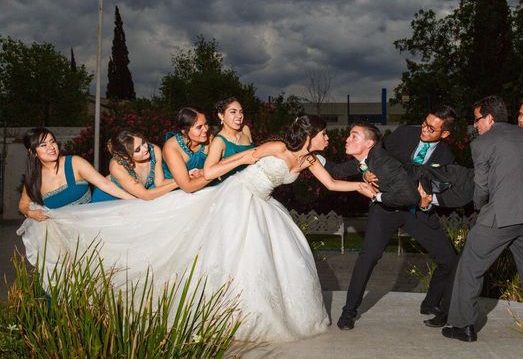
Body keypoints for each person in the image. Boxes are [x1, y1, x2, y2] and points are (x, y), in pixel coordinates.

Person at [18, 115, 376, 343]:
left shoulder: (310, 158)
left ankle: (263, 313)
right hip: (239, 195)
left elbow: (330, 184)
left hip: (265, 204)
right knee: (234, 253)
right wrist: (208, 173)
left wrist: (360, 186)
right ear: (310, 134)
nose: (328, 139)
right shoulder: (278, 147)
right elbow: (242, 159)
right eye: (325, 135)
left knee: (279, 258)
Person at [442, 96, 523, 343]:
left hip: (498, 217)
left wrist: (478, 207)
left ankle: (462, 325)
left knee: (469, 267)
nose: (474, 125)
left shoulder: (481, 143)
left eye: (477, 120)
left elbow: (482, 186)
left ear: (489, 118)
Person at [328, 108, 461, 329]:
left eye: (431, 128)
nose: (424, 130)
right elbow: (373, 155)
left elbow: (439, 187)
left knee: (449, 259)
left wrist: (431, 198)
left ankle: (431, 303)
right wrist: (364, 172)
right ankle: (348, 312)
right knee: (368, 257)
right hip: (385, 208)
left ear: (444, 134)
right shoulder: (404, 134)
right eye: (424, 123)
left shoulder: (446, 156)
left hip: (416, 211)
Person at [18, 127, 136, 222]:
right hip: (62, 232)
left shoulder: (74, 162)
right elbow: (23, 204)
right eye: (43, 145)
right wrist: (29, 212)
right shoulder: (34, 180)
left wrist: (136, 201)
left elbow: (105, 184)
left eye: (52, 142)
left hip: (92, 220)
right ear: (32, 152)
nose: (51, 147)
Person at [91, 129, 178, 202]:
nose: (145, 149)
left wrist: (186, 176)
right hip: (110, 199)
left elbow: (159, 183)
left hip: (137, 198)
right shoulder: (117, 166)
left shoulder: (154, 150)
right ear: (125, 156)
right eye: (138, 149)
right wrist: (179, 182)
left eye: (143, 142)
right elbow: (146, 195)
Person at [203, 97, 254, 183]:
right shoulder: (219, 141)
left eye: (241, 112)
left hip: (252, 181)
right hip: (231, 188)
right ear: (221, 115)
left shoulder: (245, 129)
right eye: (233, 112)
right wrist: (241, 161)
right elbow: (208, 173)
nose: (239, 116)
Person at [161, 106, 212, 192]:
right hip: (173, 191)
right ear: (184, 131)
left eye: (206, 124)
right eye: (199, 127)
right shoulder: (172, 148)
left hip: (204, 185)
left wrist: (205, 171)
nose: (205, 129)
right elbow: (187, 187)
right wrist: (214, 173)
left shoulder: (209, 138)